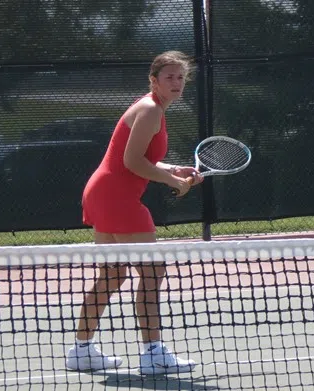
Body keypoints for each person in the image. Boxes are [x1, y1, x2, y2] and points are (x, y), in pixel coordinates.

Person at [66, 51, 203, 374]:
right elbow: (132, 162)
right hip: (117, 197)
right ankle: (153, 353)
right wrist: (174, 182)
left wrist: (174, 168)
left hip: (103, 193)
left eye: (180, 77)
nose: (176, 83)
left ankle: (81, 350)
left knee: (112, 276)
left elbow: (140, 159)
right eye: (169, 77)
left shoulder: (152, 109)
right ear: (153, 80)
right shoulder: (150, 110)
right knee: (152, 273)